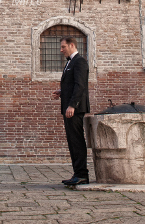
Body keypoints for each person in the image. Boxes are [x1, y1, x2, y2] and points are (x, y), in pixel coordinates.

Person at [52, 37, 90, 186]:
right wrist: (62, 91)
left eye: (63, 47)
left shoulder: (79, 61)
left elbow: (80, 85)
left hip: (75, 109)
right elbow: (72, 84)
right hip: (69, 107)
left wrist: (72, 105)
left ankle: (82, 174)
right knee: (72, 141)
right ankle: (78, 173)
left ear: (72, 45)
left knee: (77, 141)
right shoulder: (70, 62)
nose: (61, 50)